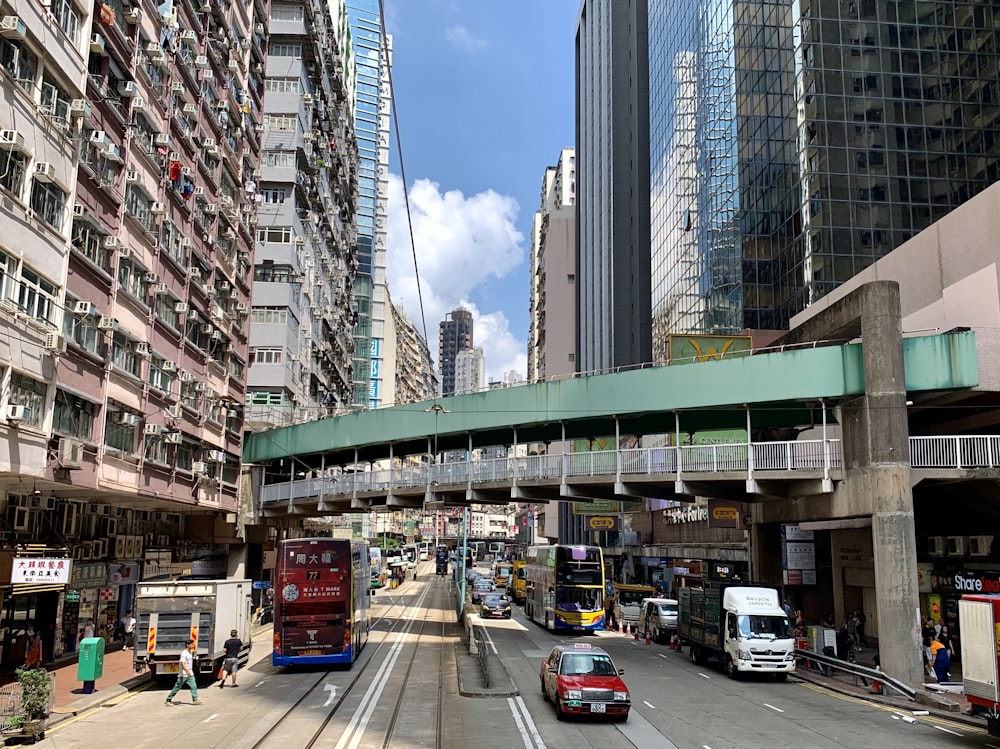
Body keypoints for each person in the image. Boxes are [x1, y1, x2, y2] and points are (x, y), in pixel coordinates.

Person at [165, 639, 200, 705]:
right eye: (191, 644)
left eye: (193, 644)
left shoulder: (190, 652)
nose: (193, 645)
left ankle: (195, 700)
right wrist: (187, 671)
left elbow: (189, 661)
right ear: (187, 645)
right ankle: (168, 699)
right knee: (177, 687)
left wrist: (195, 658)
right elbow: (182, 663)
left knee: (193, 686)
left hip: (190, 673)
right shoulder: (184, 653)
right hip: (183, 674)